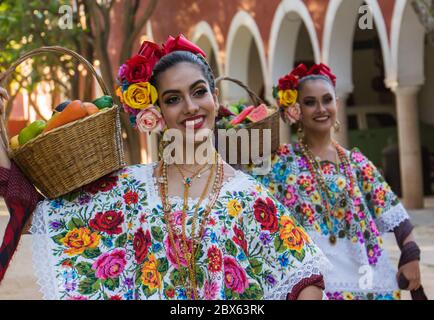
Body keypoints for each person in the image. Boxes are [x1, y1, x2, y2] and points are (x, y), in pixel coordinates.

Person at [0, 36, 329, 300]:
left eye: (199, 92)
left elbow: (303, 281)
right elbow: (35, 212)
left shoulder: (250, 197)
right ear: (156, 112)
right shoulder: (128, 190)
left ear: (215, 97)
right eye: (173, 99)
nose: (190, 107)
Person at [244, 63, 424, 300]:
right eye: (310, 102)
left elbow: (392, 210)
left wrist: (410, 254)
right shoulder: (280, 162)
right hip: (313, 282)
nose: (321, 108)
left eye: (327, 100)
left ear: (336, 104)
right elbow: (243, 192)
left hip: (366, 281)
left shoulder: (356, 162)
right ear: (296, 110)